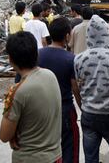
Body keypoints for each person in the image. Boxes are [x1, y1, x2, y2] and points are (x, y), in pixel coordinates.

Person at [0, 32, 62, 163]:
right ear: (36, 53)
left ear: (10, 59)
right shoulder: (50, 75)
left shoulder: (18, 91)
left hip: (30, 158)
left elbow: (4, 135)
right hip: (55, 156)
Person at [74, 15, 109, 163]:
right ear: (107, 34)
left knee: (90, 157)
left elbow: (78, 85)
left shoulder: (78, 59)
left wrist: (82, 106)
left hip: (88, 114)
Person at [39, 18, 81, 163]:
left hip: (42, 109)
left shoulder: (38, 55)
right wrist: (82, 107)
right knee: (69, 146)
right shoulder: (71, 58)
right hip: (65, 109)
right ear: (67, 36)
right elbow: (75, 88)